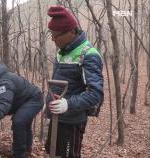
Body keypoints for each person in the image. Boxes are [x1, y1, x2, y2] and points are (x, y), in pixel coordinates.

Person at [45, 5, 104, 158]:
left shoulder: (88, 54)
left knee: (68, 155)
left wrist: (68, 104)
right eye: (51, 35)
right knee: (51, 150)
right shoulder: (62, 52)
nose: (53, 40)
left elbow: (95, 94)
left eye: (56, 36)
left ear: (71, 32)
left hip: (72, 120)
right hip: (57, 116)